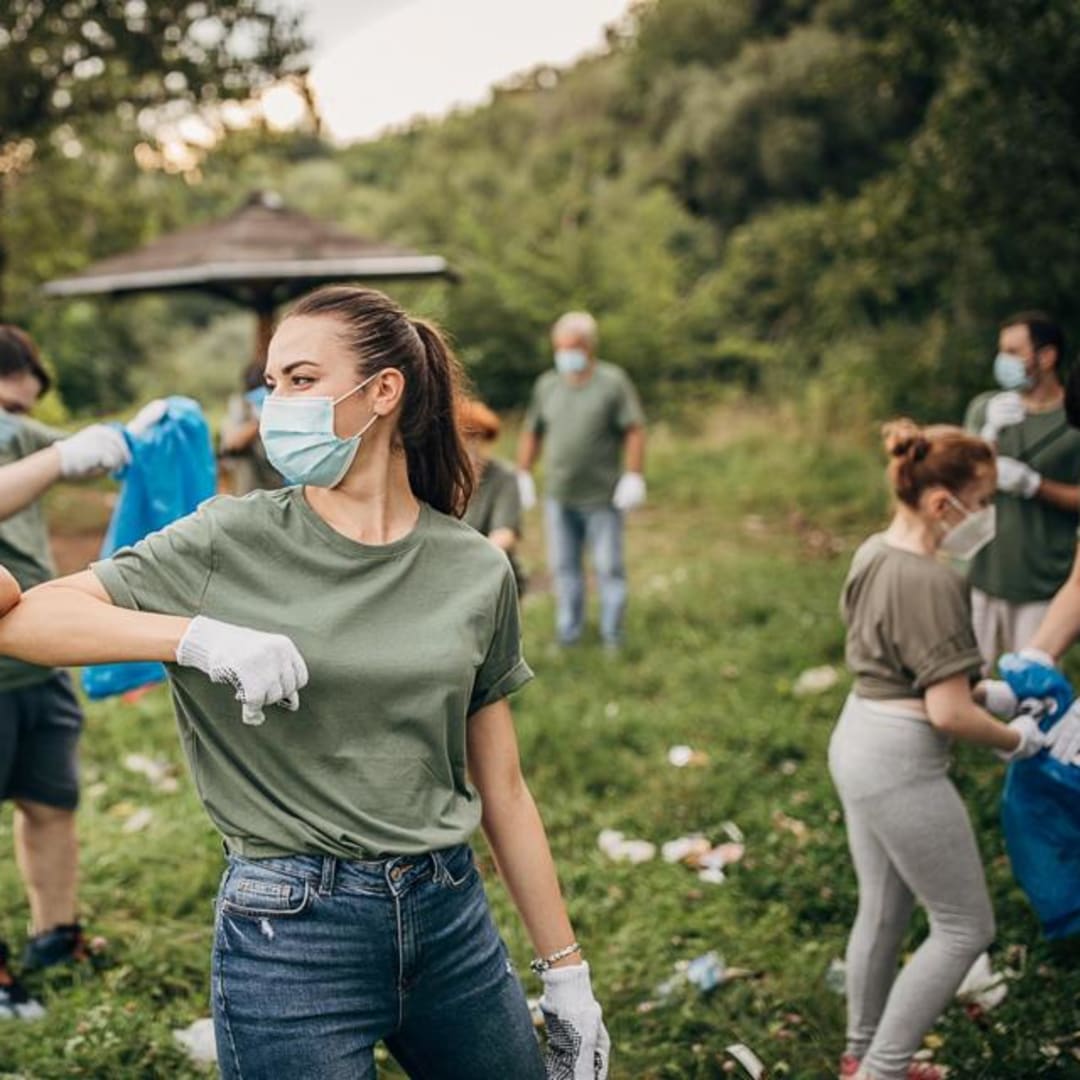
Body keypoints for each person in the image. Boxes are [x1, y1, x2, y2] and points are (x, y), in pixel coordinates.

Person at [0, 286, 610, 1078]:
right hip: (288, 934)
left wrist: (566, 972)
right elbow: (24, 622)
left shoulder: (474, 568)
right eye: (271, 383)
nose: (274, 403)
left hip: (449, 916)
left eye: (299, 380)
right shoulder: (232, 536)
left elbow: (506, 788)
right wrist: (194, 637)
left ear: (383, 392)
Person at [830, 420, 1056, 1080]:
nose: (985, 516)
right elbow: (946, 710)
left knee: (885, 906)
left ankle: (860, 1053)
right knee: (965, 926)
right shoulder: (934, 581)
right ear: (941, 504)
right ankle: (883, 1070)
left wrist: (990, 692)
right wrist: (1020, 738)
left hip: (857, 736)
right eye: (982, 502)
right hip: (900, 764)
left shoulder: (874, 551)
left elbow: (914, 668)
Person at [0, 324, 132, 1019]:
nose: (13, 426)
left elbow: (55, 446)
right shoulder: (29, 448)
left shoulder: (22, 441)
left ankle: (55, 936)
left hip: (36, 656)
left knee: (51, 803)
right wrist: (58, 456)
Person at [516, 311, 646, 650]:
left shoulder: (612, 382)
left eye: (572, 347)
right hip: (559, 495)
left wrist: (633, 474)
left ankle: (612, 636)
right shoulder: (547, 385)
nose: (565, 354)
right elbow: (533, 431)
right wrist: (524, 473)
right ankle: (568, 634)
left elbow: (634, 429)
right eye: (559, 347)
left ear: (589, 347)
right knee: (564, 569)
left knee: (608, 567)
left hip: (602, 496)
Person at [963, 312, 1080, 666]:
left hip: (1042, 580)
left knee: (1034, 687)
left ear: (1046, 357)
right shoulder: (988, 409)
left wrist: (1034, 485)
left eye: (1014, 351)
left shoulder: (1074, 416)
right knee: (969, 679)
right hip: (984, 573)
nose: (1004, 360)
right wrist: (986, 438)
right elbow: (955, 484)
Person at [458, 397, 526, 595]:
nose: (472, 446)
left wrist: (471, 560)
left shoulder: (503, 477)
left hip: (488, 570)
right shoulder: (435, 475)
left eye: (478, 438)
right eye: (465, 438)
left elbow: (505, 533)